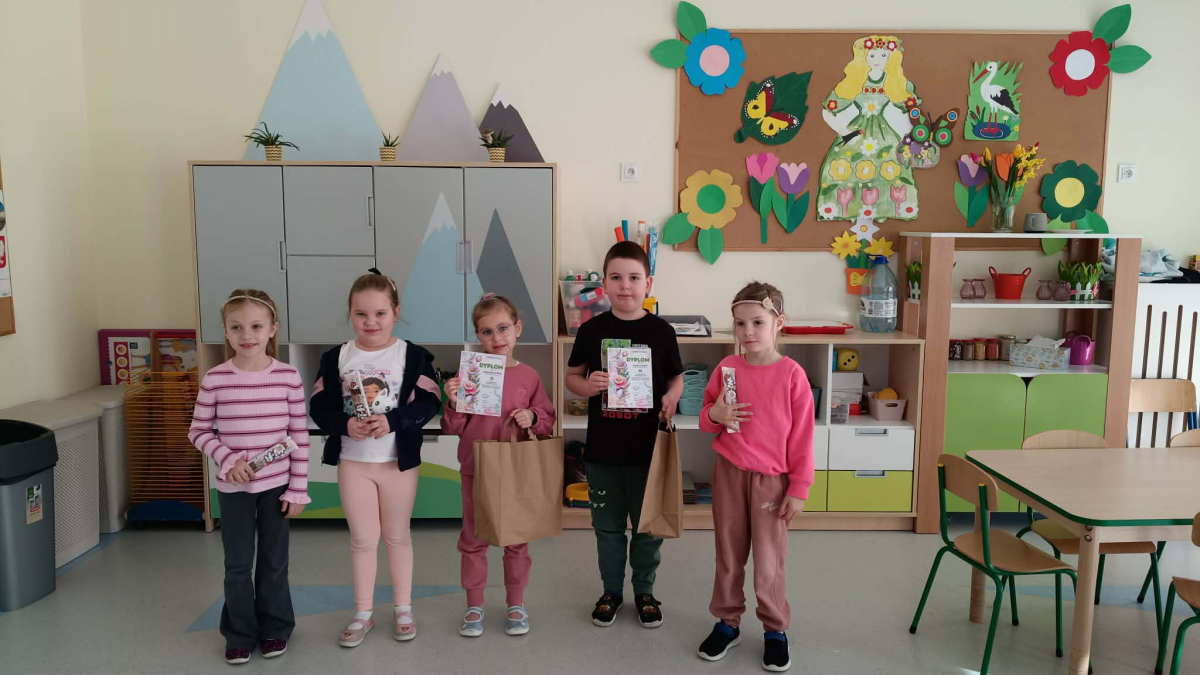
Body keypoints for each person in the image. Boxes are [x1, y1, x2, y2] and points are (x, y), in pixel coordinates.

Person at [310, 269, 440, 646]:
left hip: (398, 463)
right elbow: (318, 406)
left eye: (380, 313)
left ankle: (403, 609)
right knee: (363, 540)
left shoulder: (413, 356)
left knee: (398, 537)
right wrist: (345, 424)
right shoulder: (336, 357)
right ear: (350, 314)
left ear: (395, 312)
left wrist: (393, 421)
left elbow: (431, 401)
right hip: (354, 463)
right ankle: (363, 613)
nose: (371, 322)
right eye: (361, 314)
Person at [696, 282, 815, 672]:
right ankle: (727, 623)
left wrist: (799, 488)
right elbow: (706, 417)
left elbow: (802, 438)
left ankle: (775, 629)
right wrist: (715, 415)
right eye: (740, 323)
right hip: (729, 475)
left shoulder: (792, 375)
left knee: (768, 560)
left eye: (757, 322)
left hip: (771, 482)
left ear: (778, 322)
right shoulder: (727, 369)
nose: (748, 331)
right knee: (729, 554)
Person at [565, 241, 683, 629]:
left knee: (648, 529)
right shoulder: (592, 329)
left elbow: (676, 378)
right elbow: (572, 377)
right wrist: (588, 386)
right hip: (603, 452)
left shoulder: (661, 331)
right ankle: (611, 592)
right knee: (608, 530)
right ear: (604, 284)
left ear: (648, 283)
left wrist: (672, 397)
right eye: (616, 277)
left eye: (634, 278)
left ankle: (645, 591)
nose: (625, 285)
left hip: (649, 452)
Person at [189, 289, 310, 665]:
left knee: (274, 561)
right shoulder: (215, 379)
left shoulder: (289, 377)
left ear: (272, 328)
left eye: (256, 326)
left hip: (277, 487)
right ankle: (239, 633)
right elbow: (198, 431)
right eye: (236, 327)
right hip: (233, 489)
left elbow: (299, 435)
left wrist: (298, 488)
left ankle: (275, 628)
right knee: (238, 564)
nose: (247, 335)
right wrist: (228, 458)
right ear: (225, 331)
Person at [442, 293, 556, 637]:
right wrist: (453, 401)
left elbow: (547, 419)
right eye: (487, 331)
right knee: (473, 538)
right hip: (476, 468)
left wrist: (532, 416)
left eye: (503, 328)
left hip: (515, 469)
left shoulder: (529, 376)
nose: (497, 338)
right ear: (478, 336)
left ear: (517, 328)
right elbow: (452, 428)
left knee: (516, 539)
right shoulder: (469, 374)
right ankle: (474, 605)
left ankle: (516, 604)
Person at [817, 35, 924, 222]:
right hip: (857, 133)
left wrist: (911, 137)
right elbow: (828, 110)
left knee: (891, 168)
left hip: (885, 136)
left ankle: (889, 208)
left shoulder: (895, 83)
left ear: (891, 58)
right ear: (863, 58)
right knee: (844, 167)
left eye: (883, 55)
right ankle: (843, 208)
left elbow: (913, 113)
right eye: (872, 55)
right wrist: (845, 132)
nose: (877, 60)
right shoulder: (854, 82)